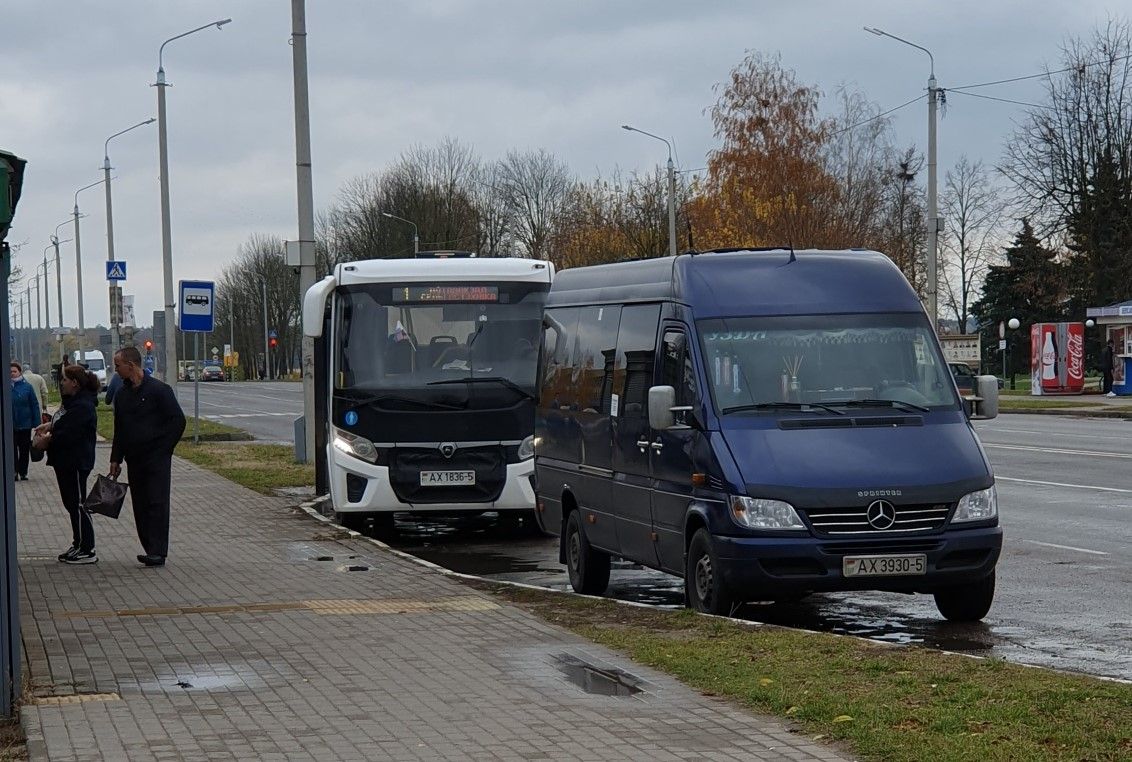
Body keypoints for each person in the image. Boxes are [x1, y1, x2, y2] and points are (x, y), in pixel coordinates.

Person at [108, 346, 186, 567]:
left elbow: (177, 421)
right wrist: (116, 458)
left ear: (130, 365)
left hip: (157, 458)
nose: (116, 370)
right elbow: (119, 429)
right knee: (140, 504)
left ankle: (158, 550)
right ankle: (148, 546)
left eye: (118, 366)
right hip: (135, 458)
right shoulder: (122, 395)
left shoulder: (159, 390)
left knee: (156, 502)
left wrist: (164, 448)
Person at [36, 365, 100, 564]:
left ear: (75, 383)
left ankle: (87, 548)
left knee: (79, 504)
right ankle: (78, 542)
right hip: (64, 461)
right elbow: (63, 421)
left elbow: (71, 433)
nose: (61, 383)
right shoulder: (70, 402)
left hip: (76, 460)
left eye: (64, 379)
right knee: (71, 503)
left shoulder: (83, 405)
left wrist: (48, 440)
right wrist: (50, 425)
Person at [10, 362, 41, 481]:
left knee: (24, 449)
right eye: (10, 372)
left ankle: (23, 472)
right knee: (11, 449)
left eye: (14, 371)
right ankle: (14, 471)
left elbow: (34, 405)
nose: (12, 374)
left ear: (19, 372)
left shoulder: (27, 387)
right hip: (11, 425)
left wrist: (37, 424)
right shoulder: (6, 386)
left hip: (25, 423)